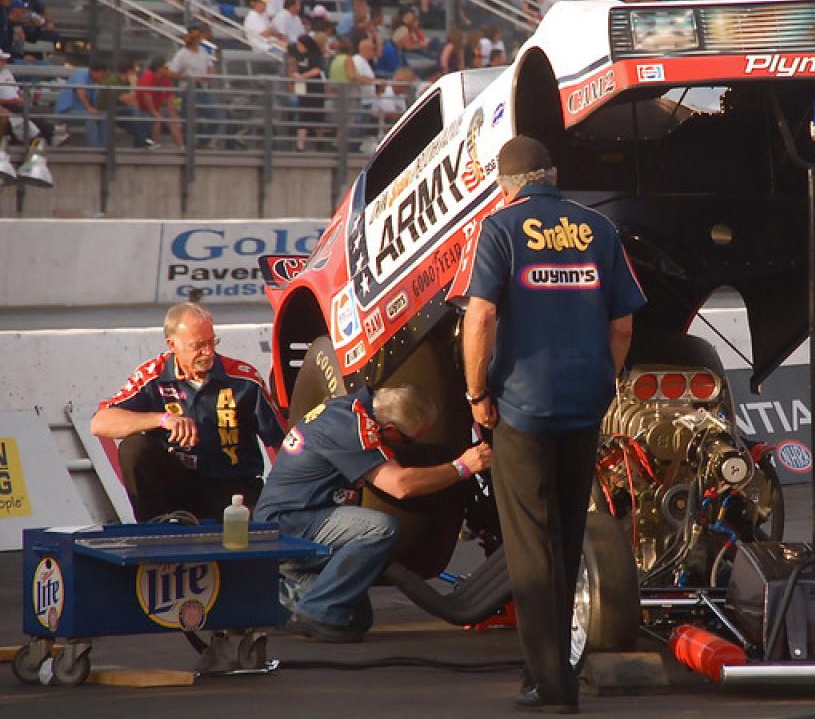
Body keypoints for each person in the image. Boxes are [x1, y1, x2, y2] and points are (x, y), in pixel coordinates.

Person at [448, 136, 646, 714]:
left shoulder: (500, 229)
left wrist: (476, 394)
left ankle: (549, 680)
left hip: (522, 407)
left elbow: (480, 317)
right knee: (566, 534)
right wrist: (603, 382)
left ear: (505, 186)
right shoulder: (599, 229)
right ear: (553, 176)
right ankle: (560, 665)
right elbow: (624, 326)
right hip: (584, 403)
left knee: (532, 547)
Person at [255, 384, 491, 642]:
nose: (407, 448)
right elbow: (400, 486)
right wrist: (462, 467)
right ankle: (313, 611)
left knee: (354, 618)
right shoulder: (351, 426)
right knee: (379, 528)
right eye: (408, 441)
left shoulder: (350, 410)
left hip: (301, 521)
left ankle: (280, 593)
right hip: (289, 525)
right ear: (389, 429)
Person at [90, 302, 286, 521]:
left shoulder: (244, 379)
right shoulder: (153, 376)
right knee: (133, 447)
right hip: (177, 487)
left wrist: (284, 498)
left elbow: (282, 442)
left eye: (212, 342)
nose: (208, 352)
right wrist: (163, 419)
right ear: (172, 344)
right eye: (198, 346)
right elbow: (100, 423)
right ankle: (156, 528)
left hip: (232, 489)